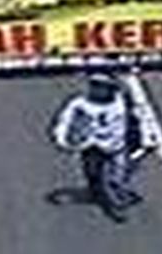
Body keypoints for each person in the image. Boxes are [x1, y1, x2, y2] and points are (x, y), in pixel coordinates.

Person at [51, 73, 144, 223]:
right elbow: (64, 122)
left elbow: (135, 118)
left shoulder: (120, 102)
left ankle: (116, 201)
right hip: (92, 146)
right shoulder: (79, 104)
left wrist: (139, 138)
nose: (97, 90)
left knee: (118, 176)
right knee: (93, 174)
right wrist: (62, 140)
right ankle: (101, 195)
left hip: (116, 145)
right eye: (95, 86)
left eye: (102, 87)